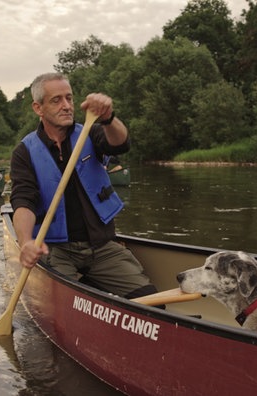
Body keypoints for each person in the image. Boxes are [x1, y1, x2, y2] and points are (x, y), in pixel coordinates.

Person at [10, 72, 158, 300]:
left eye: (69, 98)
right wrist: (26, 241)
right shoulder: (25, 152)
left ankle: (94, 283)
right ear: (38, 108)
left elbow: (120, 143)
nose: (67, 106)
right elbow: (23, 200)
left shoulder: (91, 132)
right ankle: (88, 286)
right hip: (56, 249)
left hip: (100, 247)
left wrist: (108, 118)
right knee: (74, 301)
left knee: (149, 300)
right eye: (56, 100)